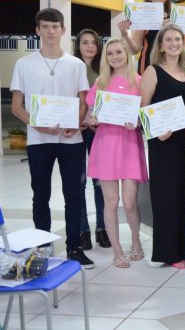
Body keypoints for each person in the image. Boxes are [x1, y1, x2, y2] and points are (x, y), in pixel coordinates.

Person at [11, 8, 94, 267]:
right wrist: (36, 123)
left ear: (63, 29)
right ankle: (43, 249)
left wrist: (77, 123)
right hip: (39, 140)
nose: (50, 31)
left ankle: (74, 248)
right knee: (41, 196)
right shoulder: (24, 64)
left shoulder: (76, 64)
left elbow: (83, 101)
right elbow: (16, 106)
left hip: (71, 141)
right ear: (37, 30)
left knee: (74, 195)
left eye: (55, 26)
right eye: (45, 26)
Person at [140, 24, 185, 269]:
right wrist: (156, 132)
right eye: (169, 40)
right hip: (164, 143)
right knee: (167, 197)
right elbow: (143, 109)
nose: (174, 43)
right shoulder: (152, 72)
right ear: (161, 45)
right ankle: (170, 253)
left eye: (178, 39)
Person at [86, 38, 149, 268]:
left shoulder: (140, 82)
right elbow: (90, 116)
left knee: (130, 202)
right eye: (110, 53)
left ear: (127, 54)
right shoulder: (101, 83)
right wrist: (91, 119)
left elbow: (145, 116)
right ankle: (117, 251)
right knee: (111, 202)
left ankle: (136, 242)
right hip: (106, 146)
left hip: (130, 145)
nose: (115, 56)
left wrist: (139, 122)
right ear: (106, 58)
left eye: (119, 52)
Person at [73, 29, 109, 250]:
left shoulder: (104, 70)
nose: (89, 47)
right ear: (78, 45)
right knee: (78, 181)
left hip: (98, 130)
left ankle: (102, 228)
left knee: (99, 182)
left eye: (93, 43)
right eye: (84, 43)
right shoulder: (71, 68)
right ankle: (82, 229)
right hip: (77, 130)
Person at [119, 0, 172, 74]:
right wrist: (125, 34)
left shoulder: (174, 18)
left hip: (171, 67)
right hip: (147, 66)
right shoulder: (142, 17)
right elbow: (133, 50)